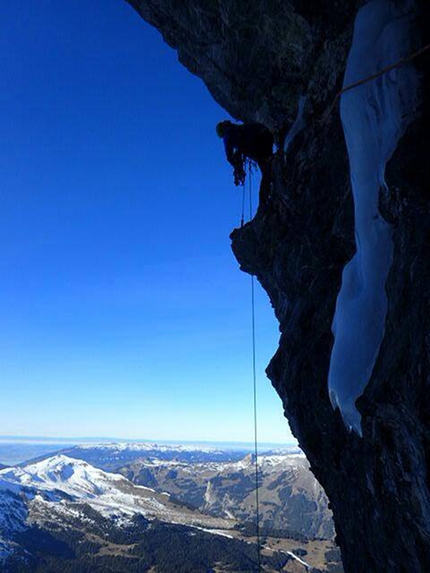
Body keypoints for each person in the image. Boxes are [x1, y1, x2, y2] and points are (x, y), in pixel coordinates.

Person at [216, 120, 274, 206]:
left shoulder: (228, 134)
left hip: (259, 142)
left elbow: (230, 157)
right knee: (268, 168)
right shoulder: (237, 128)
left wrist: (237, 167)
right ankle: (268, 196)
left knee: (266, 171)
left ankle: (264, 202)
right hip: (265, 135)